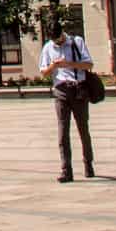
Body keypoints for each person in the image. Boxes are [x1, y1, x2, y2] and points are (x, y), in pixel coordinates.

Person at [40, 13, 96, 183]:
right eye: (55, 41)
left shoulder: (77, 42)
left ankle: (88, 163)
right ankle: (66, 170)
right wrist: (54, 65)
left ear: (62, 33)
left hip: (78, 90)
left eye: (60, 39)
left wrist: (69, 64)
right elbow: (43, 72)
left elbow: (89, 64)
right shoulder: (48, 47)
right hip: (61, 91)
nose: (58, 43)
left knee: (83, 129)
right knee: (62, 132)